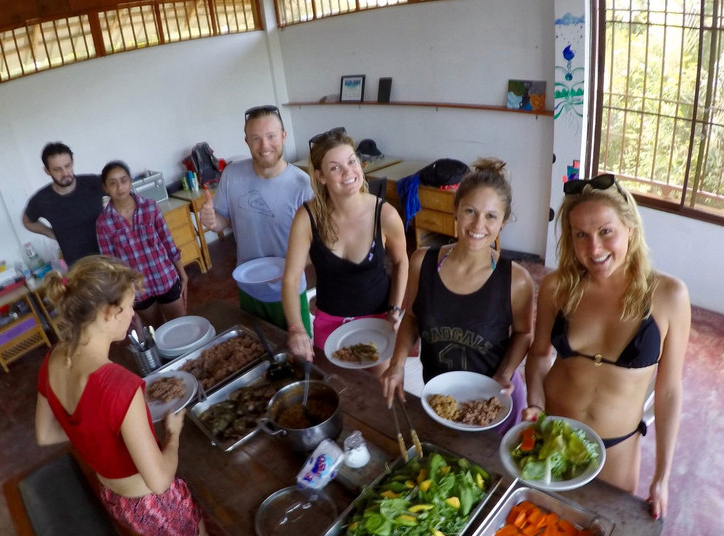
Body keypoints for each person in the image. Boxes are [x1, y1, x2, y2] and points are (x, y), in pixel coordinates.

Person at [34, 256, 250, 536]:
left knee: (187, 533)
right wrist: (174, 435)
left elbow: (45, 433)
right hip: (152, 500)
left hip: (116, 495)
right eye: (129, 306)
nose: (133, 313)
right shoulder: (118, 384)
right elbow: (161, 479)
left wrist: (96, 434)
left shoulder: (56, 357)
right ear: (107, 312)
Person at [523, 173, 690, 521]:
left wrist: (662, 476)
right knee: (537, 530)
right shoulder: (557, 286)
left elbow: (669, 390)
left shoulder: (669, 296)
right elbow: (539, 355)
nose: (594, 249)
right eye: (580, 235)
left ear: (631, 227)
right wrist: (535, 404)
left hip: (616, 451)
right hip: (551, 435)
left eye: (606, 231)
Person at [381, 159, 536, 432]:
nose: (478, 224)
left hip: (492, 404)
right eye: (470, 211)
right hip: (440, 399)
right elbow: (412, 318)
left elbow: (524, 333)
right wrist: (397, 364)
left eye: (491, 216)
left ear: (503, 223)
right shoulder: (421, 262)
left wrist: (504, 373)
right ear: (455, 211)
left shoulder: (516, 279)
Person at [281, 129, 408, 362]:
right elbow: (290, 279)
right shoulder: (307, 217)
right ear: (320, 176)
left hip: (379, 320)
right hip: (330, 322)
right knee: (339, 391)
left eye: (351, 162)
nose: (348, 172)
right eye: (335, 167)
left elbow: (401, 262)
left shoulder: (385, 214)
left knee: (378, 391)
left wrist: (396, 310)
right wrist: (297, 329)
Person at [198, 105, 314, 333]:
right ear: (246, 141)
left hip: (288, 290)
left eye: (271, 136)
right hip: (248, 286)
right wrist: (212, 221)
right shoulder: (232, 174)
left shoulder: (303, 185)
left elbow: (316, 246)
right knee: (259, 348)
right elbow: (224, 221)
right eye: (256, 139)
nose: (264, 146)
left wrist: (292, 268)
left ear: (283, 135)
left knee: (299, 356)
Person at [95, 160, 189, 329]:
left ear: (130, 181)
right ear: (105, 188)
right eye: (113, 183)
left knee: (182, 325)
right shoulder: (104, 223)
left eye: (124, 180)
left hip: (165, 278)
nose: (120, 187)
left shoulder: (150, 208)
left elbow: (168, 243)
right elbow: (111, 266)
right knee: (157, 331)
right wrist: (122, 300)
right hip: (138, 290)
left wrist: (182, 274)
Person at [23, 142, 105, 265]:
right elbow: (27, 221)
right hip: (79, 267)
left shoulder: (94, 183)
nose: (65, 173)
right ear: (47, 171)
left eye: (68, 166)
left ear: (72, 163)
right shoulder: (42, 200)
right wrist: (52, 233)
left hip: (110, 256)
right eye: (57, 169)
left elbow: (123, 194)